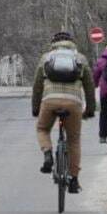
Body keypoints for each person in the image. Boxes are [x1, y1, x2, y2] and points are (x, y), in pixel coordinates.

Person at [32, 30, 96, 194]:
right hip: (73, 103)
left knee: (42, 129)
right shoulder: (80, 58)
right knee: (73, 140)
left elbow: (37, 86)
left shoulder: (46, 58)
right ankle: (74, 180)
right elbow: (89, 87)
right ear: (72, 43)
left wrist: (36, 108)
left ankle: (47, 154)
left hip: (50, 100)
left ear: (53, 43)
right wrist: (90, 109)